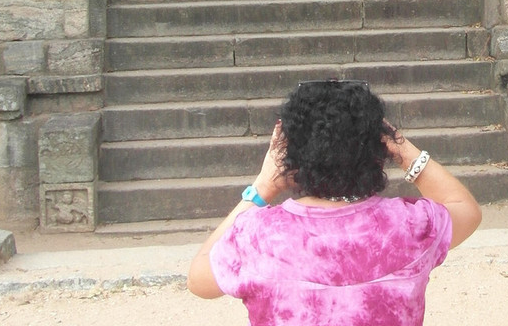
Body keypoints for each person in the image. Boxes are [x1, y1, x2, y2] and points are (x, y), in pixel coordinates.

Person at [187, 79, 482, 326]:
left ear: (288, 152)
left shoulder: (258, 236)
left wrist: (263, 185)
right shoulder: (408, 227)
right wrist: (403, 150)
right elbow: (465, 210)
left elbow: (198, 279)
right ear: (378, 149)